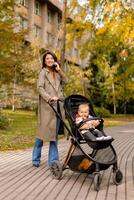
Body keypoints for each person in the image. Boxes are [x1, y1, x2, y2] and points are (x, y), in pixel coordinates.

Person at [32, 51, 68, 167]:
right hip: (47, 108)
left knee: (54, 137)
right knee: (41, 136)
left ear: (55, 60)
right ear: (44, 61)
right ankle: (35, 159)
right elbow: (40, 88)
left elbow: (66, 81)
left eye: (52, 58)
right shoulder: (43, 72)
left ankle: (53, 162)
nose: (49, 60)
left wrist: (59, 70)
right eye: (47, 58)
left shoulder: (57, 73)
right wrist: (49, 98)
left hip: (58, 108)